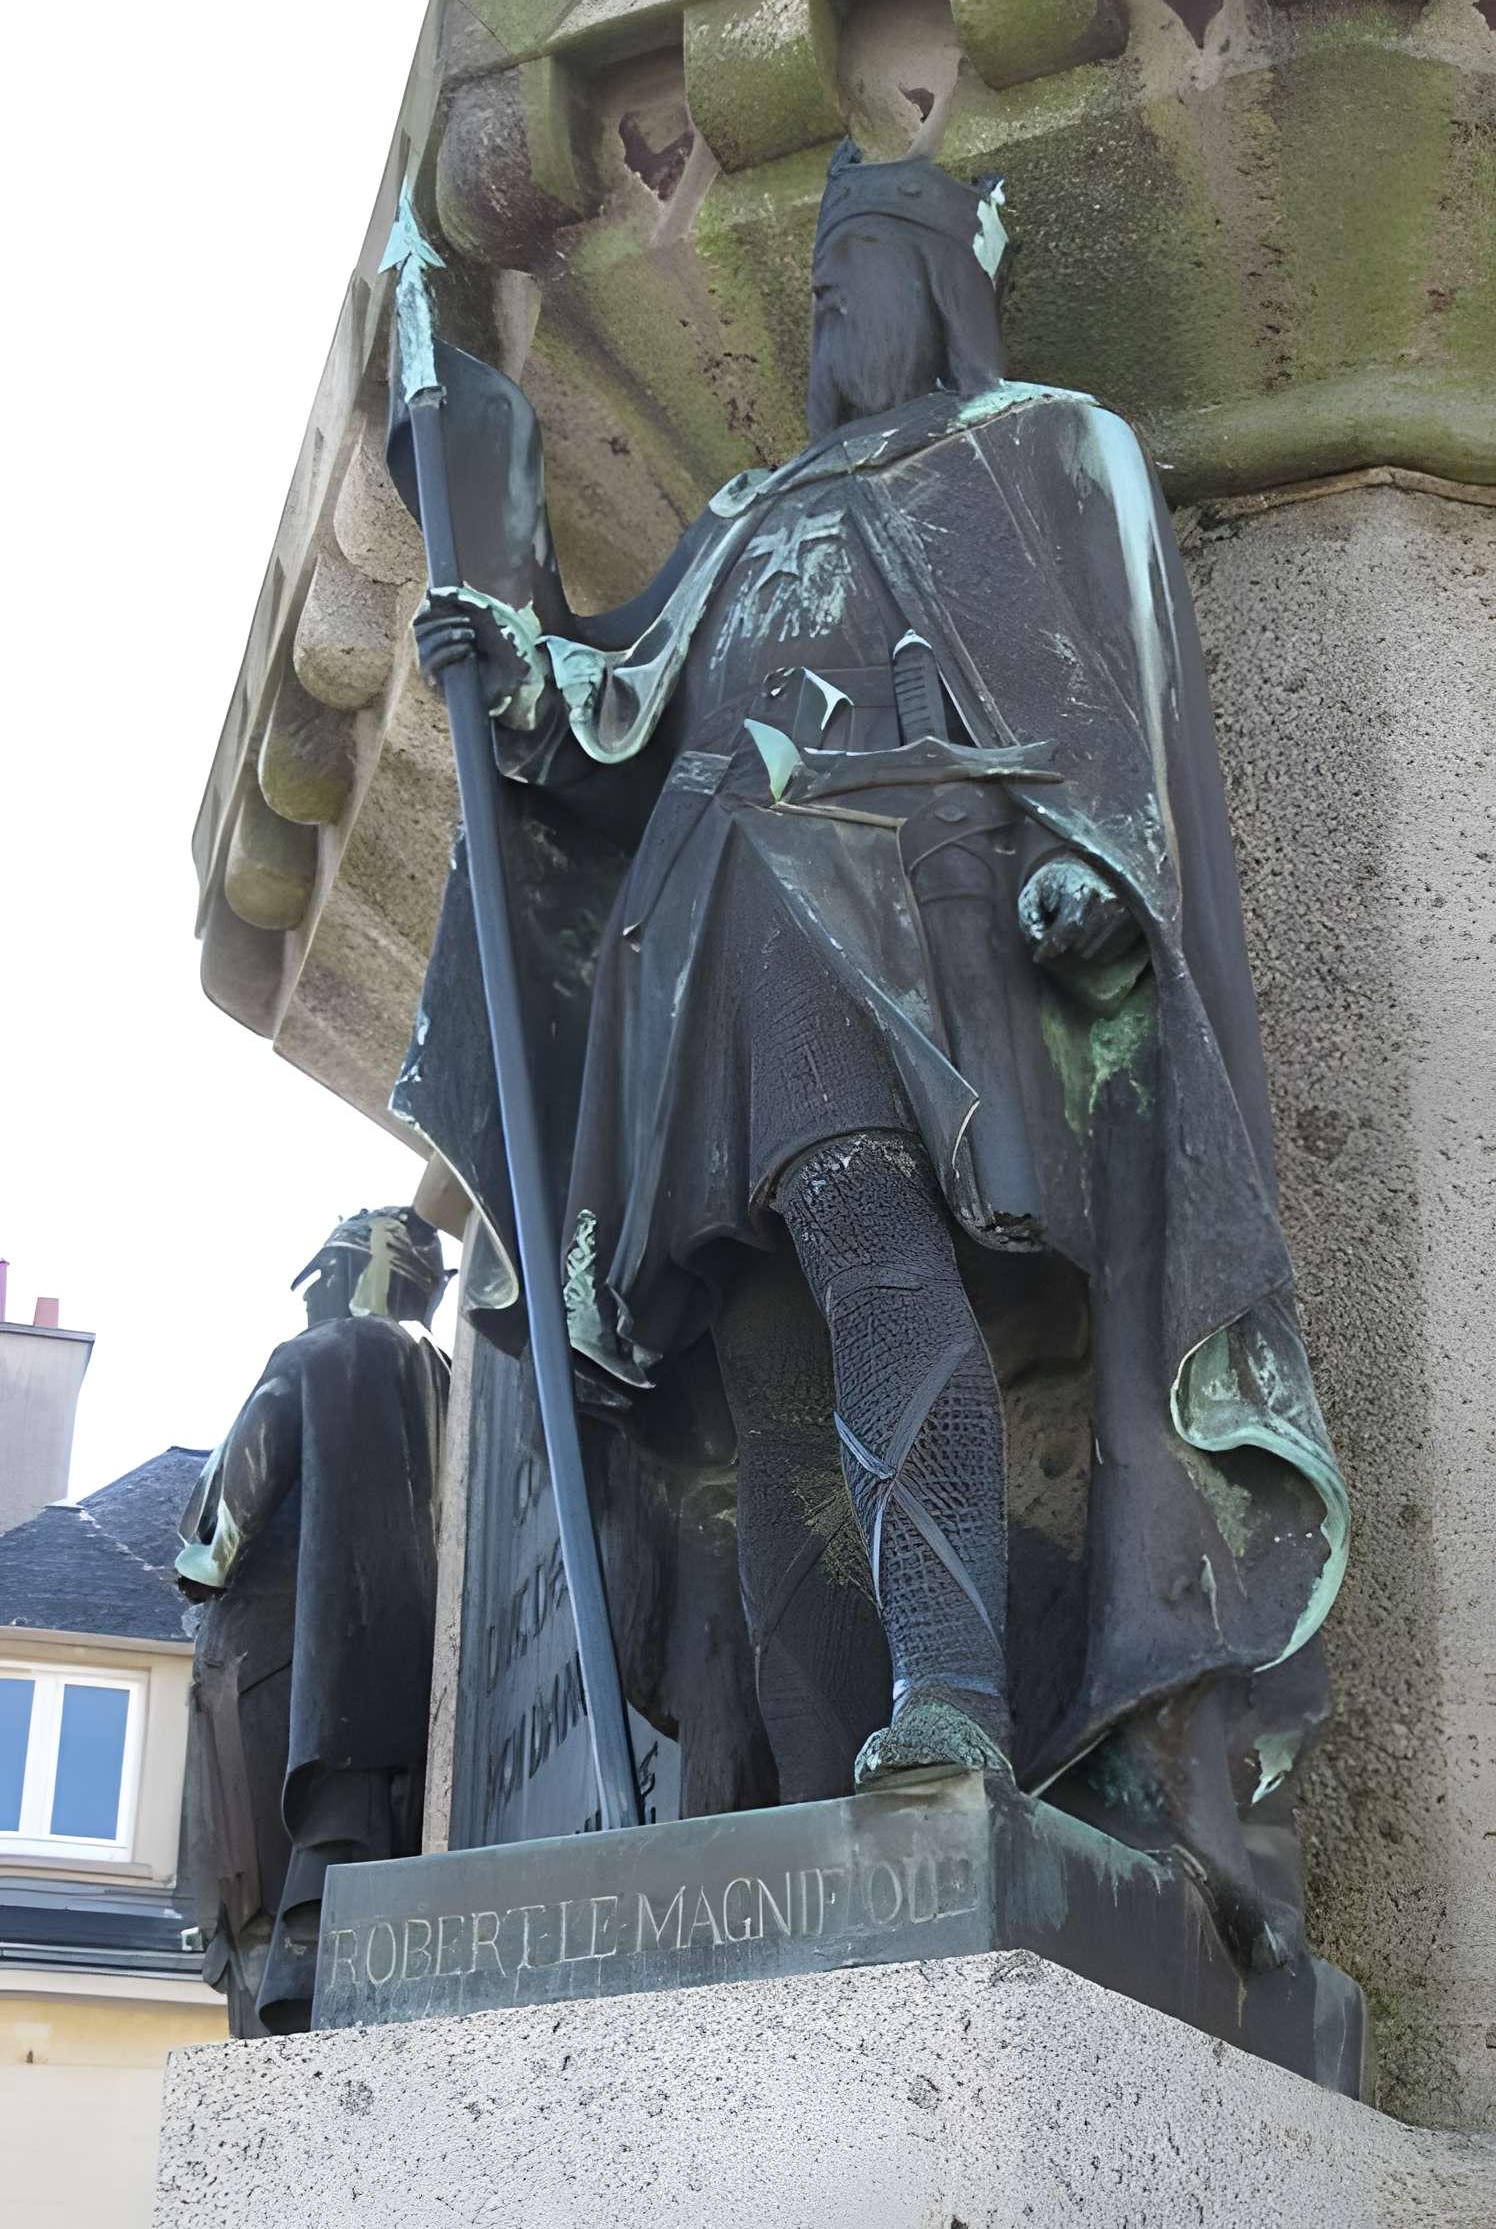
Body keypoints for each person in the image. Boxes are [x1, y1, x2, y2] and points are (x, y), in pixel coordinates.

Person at [400, 137, 1347, 1966]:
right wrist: (512, 665)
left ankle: (956, 1697)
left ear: (933, 280)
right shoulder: (758, 501)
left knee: (857, 1233)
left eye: (852, 276)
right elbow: (628, 698)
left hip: (903, 933)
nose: (823, 309)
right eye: (814, 287)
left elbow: (1100, 713)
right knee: (760, 1360)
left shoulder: (1036, 450)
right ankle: (834, 1759)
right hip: (712, 934)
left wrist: (1089, 868)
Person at [177, 1207, 448, 2033]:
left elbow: (214, 1544)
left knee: (253, 1899)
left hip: (270, 1666)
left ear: (352, 1273)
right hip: (405, 1686)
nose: (307, 1301)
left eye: (319, 1278)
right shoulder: (452, 1378)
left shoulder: (316, 1356)